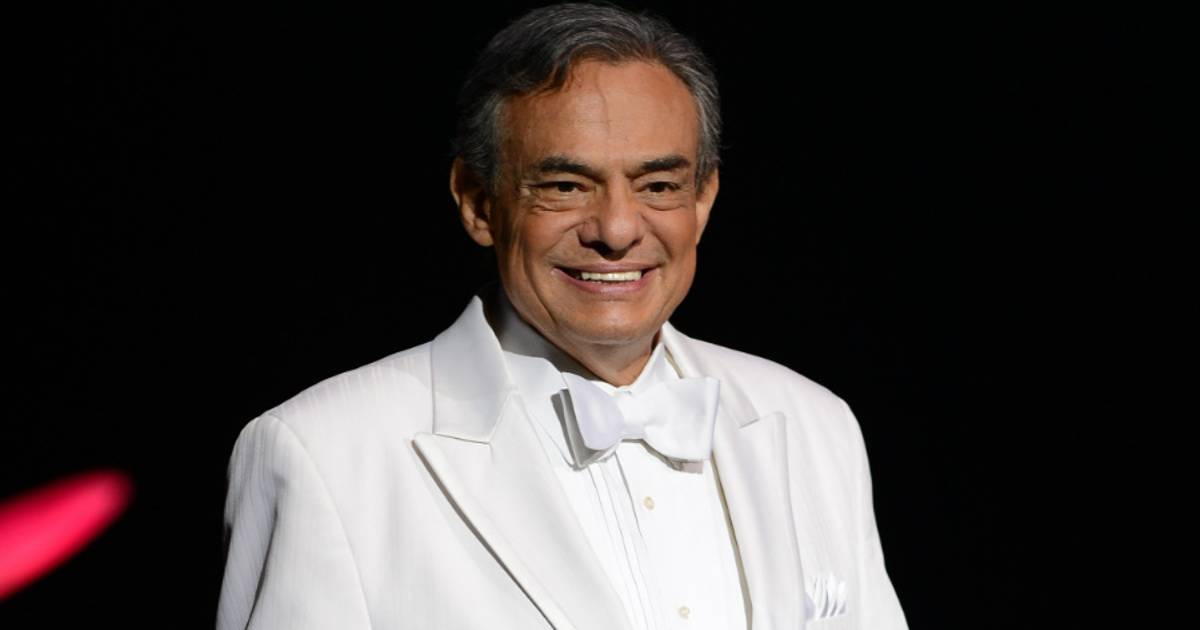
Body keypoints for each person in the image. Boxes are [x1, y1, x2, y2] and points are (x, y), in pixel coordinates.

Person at [216, 3, 908, 629]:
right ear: (478, 202)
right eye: (566, 185)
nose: (617, 229)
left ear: (703, 200)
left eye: (657, 185)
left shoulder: (815, 424)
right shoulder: (322, 453)